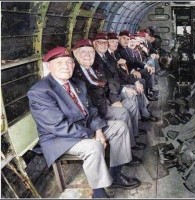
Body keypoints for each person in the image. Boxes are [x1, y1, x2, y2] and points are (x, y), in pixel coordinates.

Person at [27, 46, 140, 198]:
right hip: (58, 139)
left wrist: (99, 130)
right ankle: (99, 194)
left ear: (74, 65)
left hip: (83, 129)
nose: (65, 67)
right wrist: (92, 134)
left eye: (68, 62)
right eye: (59, 63)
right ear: (48, 66)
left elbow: (91, 111)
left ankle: (116, 174)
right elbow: (58, 126)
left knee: (119, 127)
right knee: (94, 147)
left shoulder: (77, 84)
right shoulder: (40, 91)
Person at [72, 38, 146, 157]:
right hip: (95, 110)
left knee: (130, 105)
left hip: (105, 101)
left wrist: (114, 100)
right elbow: (87, 100)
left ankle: (131, 143)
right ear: (75, 54)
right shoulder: (74, 73)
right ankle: (124, 153)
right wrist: (112, 102)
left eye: (90, 52)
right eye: (83, 52)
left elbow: (108, 83)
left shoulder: (95, 68)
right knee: (123, 113)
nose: (88, 55)